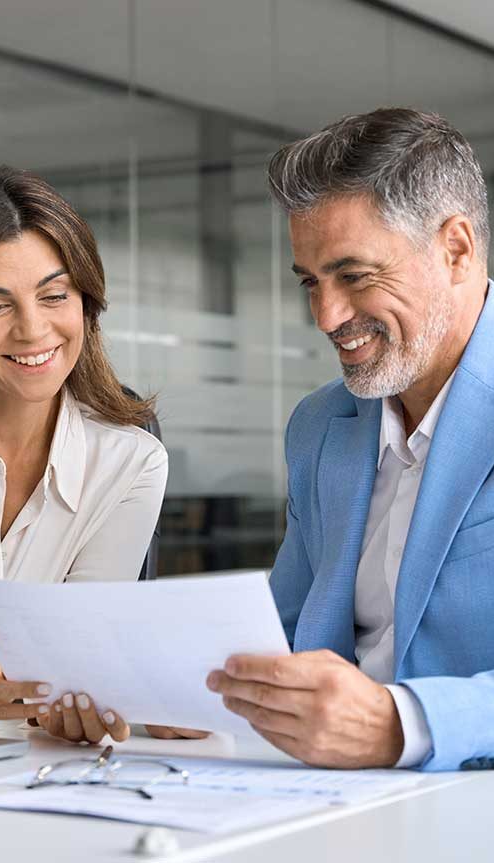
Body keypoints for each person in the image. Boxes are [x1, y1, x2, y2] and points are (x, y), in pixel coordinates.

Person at [207, 107, 494, 771]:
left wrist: (405, 724)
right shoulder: (319, 427)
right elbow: (276, 636)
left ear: (454, 249)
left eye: (354, 275)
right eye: (310, 281)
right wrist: (172, 696)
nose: (326, 315)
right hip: (333, 802)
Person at [0, 165, 170, 744]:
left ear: (85, 300)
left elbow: (80, 659)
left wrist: (121, 696)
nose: (33, 329)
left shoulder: (131, 462)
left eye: (54, 295)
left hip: (24, 769)